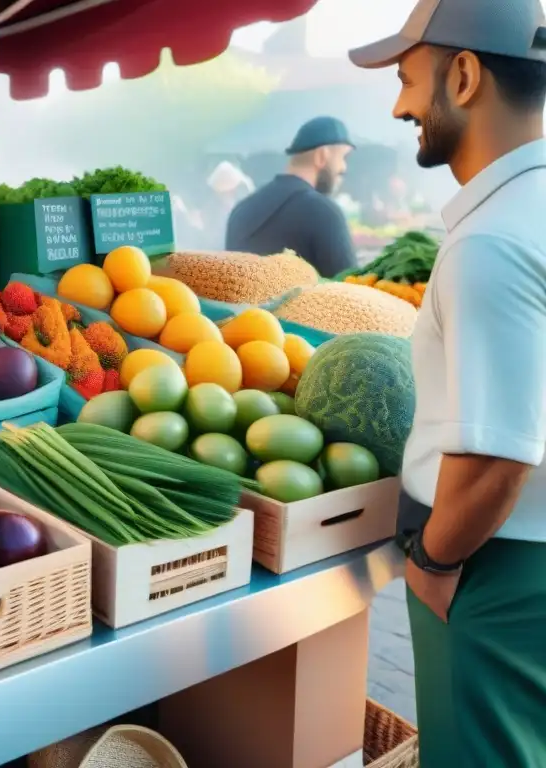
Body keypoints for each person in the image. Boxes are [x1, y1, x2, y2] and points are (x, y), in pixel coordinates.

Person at [350, 1, 546, 765]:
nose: (400, 105)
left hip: (491, 574)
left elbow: (497, 458)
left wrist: (432, 568)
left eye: (406, 78)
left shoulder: (492, 241)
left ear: (463, 75)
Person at [224, 117, 357, 277]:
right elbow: (351, 291)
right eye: (343, 157)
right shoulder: (324, 213)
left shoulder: (241, 210)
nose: (344, 167)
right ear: (322, 156)